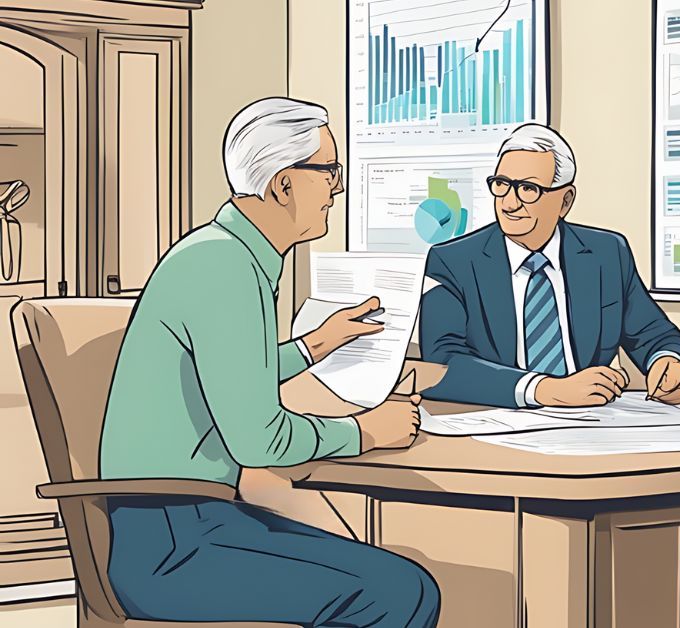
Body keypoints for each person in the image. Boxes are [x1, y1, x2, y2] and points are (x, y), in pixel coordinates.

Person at [100, 97, 439, 627]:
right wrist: (365, 431)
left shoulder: (224, 253)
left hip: (195, 520)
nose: (337, 188)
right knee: (399, 591)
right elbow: (259, 440)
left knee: (399, 582)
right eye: (328, 171)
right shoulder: (224, 267)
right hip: (173, 547)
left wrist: (314, 345)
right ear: (283, 184)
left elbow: (226, 372)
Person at [420, 123, 680, 408]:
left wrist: (668, 360)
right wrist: (543, 390)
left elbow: (652, 331)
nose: (509, 203)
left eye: (528, 189)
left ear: (565, 201)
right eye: (501, 184)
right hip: (497, 419)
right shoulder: (452, 262)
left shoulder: (606, 253)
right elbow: (441, 363)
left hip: (592, 423)